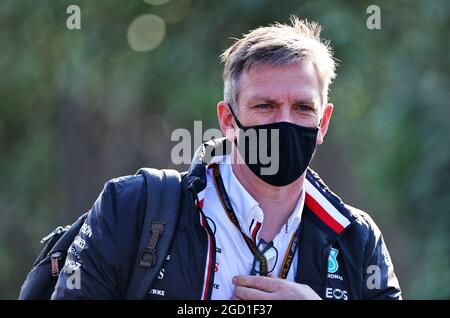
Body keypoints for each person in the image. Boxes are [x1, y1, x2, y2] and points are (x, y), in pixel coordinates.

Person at [51, 16, 401, 300]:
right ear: (228, 120)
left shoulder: (357, 239)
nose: (284, 122)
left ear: (323, 122)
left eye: (303, 108)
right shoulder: (132, 209)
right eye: (265, 106)